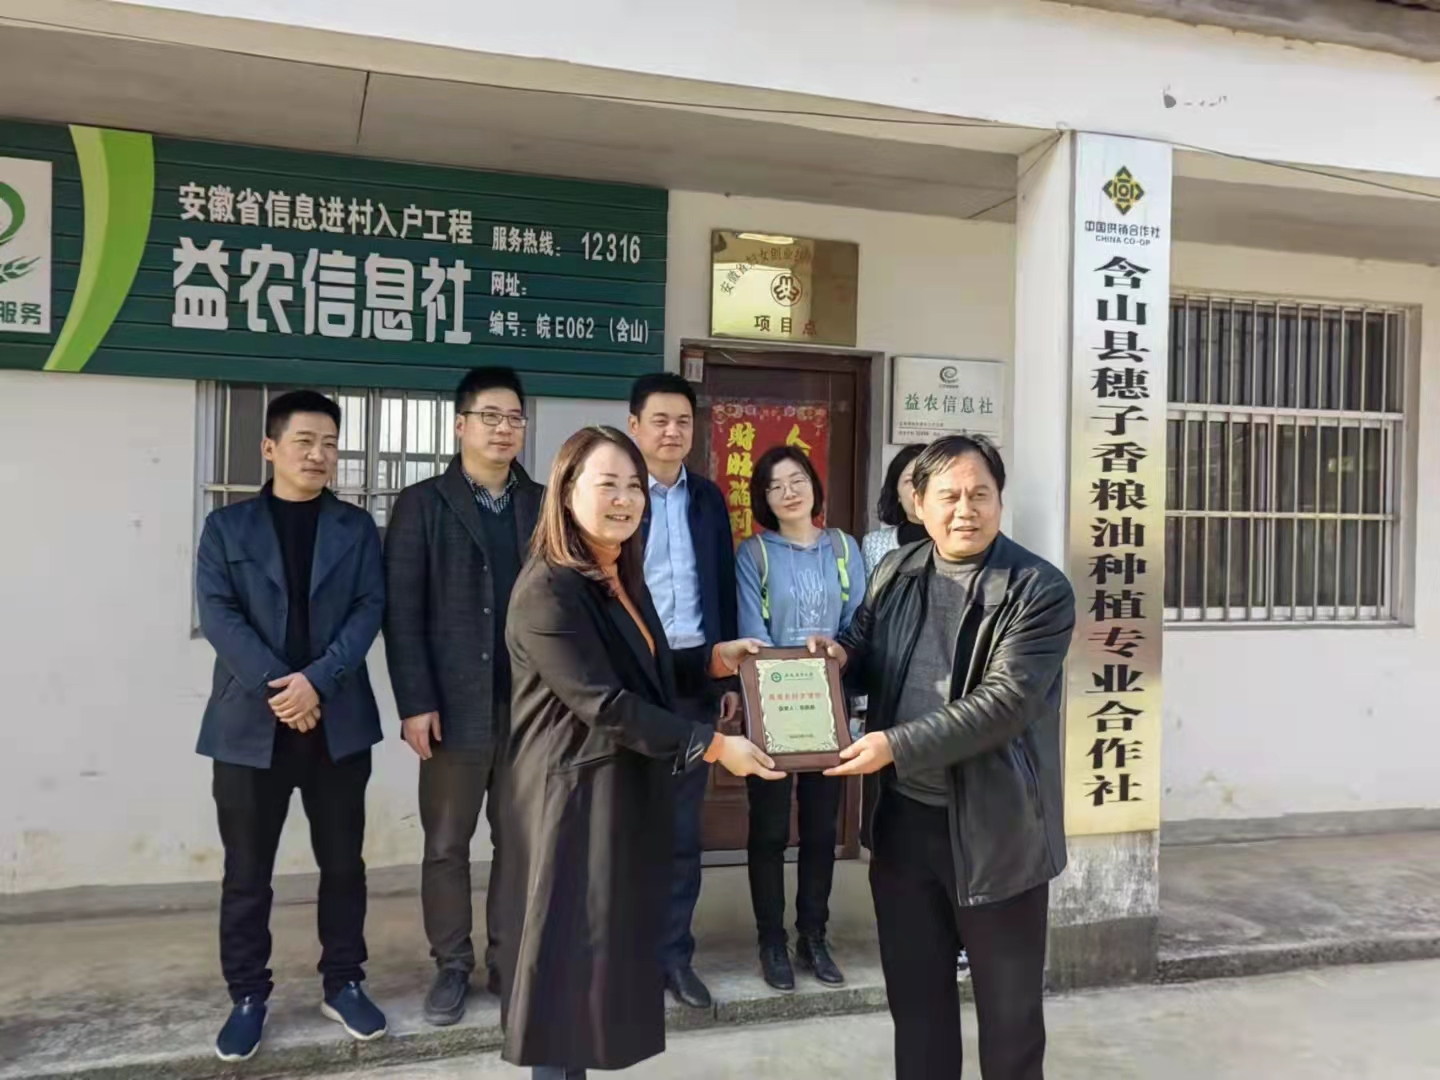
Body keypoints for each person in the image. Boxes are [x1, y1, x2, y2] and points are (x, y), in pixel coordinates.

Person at [496, 425, 784, 1080]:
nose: (625, 499)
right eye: (608, 484)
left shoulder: (616, 572)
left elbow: (642, 670)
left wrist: (710, 660)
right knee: (566, 966)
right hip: (571, 801)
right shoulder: (548, 589)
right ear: (566, 491)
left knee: (596, 966)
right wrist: (713, 745)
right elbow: (603, 702)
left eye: (634, 486)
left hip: (617, 789)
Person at [813, 435, 1076, 1080]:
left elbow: (1005, 703)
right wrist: (834, 659)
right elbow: (864, 650)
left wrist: (893, 745)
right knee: (918, 1013)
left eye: (980, 494)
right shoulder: (896, 572)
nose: (966, 510)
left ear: (1000, 501)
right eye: (950, 496)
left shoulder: (1038, 589)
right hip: (905, 827)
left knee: (1010, 1026)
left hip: (997, 833)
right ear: (919, 503)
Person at [195, 390, 388, 1063]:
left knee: (344, 865)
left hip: (337, 724)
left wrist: (317, 682)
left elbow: (369, 610)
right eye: (305, 441)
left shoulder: (356, 528)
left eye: (330, 443)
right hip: (250, 728)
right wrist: (284, 688)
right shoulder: (227, 528)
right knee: (247, 872)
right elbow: (219, 616)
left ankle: (345, 982)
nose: (318, 454)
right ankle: (248, 995)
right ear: (270, 447)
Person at [382, 367, 544, 1027]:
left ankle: (509, 961)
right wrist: (414, 702)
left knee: (519, 842)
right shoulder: (423, 504)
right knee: (447, 843)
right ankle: (452, 963)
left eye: (514, 418)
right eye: (490, 416)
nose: (503, 429)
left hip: (530, 709)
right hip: (451, 708)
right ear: (460, 425)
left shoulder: (545, 504)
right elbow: (402, 612)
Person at [626, 372, 739, 1010]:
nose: (672, 432)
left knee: (680, 829)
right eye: (660, 420)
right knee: (620, 820)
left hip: (696, 672)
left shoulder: (708, 498)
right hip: (629, 672)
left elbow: (720, 584)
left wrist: (725, 678)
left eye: (683, 422)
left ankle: (673, 956)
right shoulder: (615, 492)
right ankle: (621, 954)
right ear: (635, 425)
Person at [734, 445, 866, 991]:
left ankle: (813, 935)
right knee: (768, 830)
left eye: (797, 480)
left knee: (820, 830)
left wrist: (840, 650)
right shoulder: (753, 554)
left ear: (814, 484)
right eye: (775, 485)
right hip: (774, 708)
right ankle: (771, 940)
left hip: (828, 710)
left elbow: (860, 623)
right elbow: (750, 632)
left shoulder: (844, 548)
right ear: (762, 498)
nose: (789, 492)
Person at [860, 442, 927, 574]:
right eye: (910, 481)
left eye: (926, 479)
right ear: (897, 493)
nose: (918, 489)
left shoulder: (959, 539)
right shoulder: (874, 544)